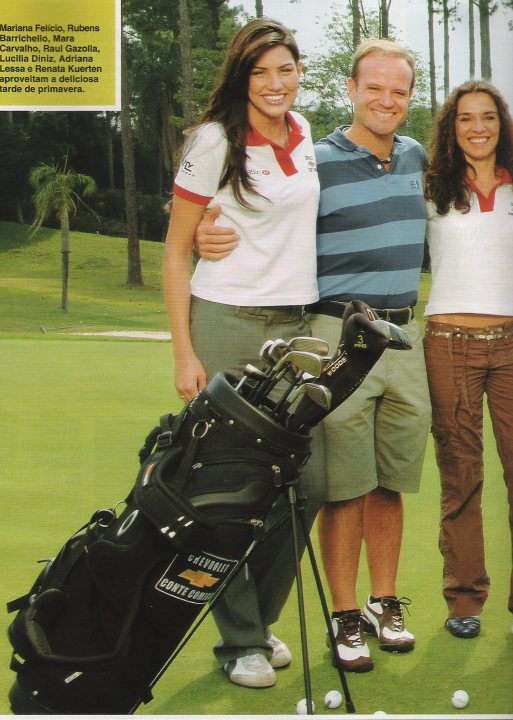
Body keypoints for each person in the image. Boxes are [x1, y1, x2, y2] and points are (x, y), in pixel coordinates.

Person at [196, 38, 432, 673]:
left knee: (390, 482)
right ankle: (345, 614)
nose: (386, 100)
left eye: (399, 91)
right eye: (374, 87)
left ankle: (386, 602)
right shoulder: (315, 159)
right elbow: (252, 206)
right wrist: (198, 227)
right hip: (340, 336)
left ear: (410, 98)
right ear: (351, 89)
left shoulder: (416, 155)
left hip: (406, 339)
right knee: (341, 483)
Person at [163, 19, 326, 689]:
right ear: (241, 77)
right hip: (225, 320)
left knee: (306, 487)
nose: (274, 83)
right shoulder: (211, 141)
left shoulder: (305, 132)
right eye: (260, 72)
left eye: (284, 69)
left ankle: (255, 621)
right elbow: (175, 249)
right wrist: (182, 352)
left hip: (295, 325)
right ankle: (239, 644)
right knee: (225, 490)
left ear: (297, 72)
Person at [423, 81, 513, 639]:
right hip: (448, 341)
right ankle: (464, 599)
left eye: (488, 117)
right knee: (461, 475)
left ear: (502, 124)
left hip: (512, 342)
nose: (477, 127)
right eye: (465, 119)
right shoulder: (430, 186)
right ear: (450, 128)